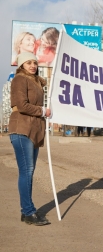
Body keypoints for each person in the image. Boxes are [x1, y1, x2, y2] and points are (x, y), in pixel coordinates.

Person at [9, 52, 51, 225]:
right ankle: (28, 212)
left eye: (34, 62)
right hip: (22, 130)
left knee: (29, 172)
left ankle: (25, 210)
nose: (33, 65)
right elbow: (22, 105)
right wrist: (42, 111)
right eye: (28, 63)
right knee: (26, 171)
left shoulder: (37, 82)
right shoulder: (20, 79)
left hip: (33, 130)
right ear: (21, 65)